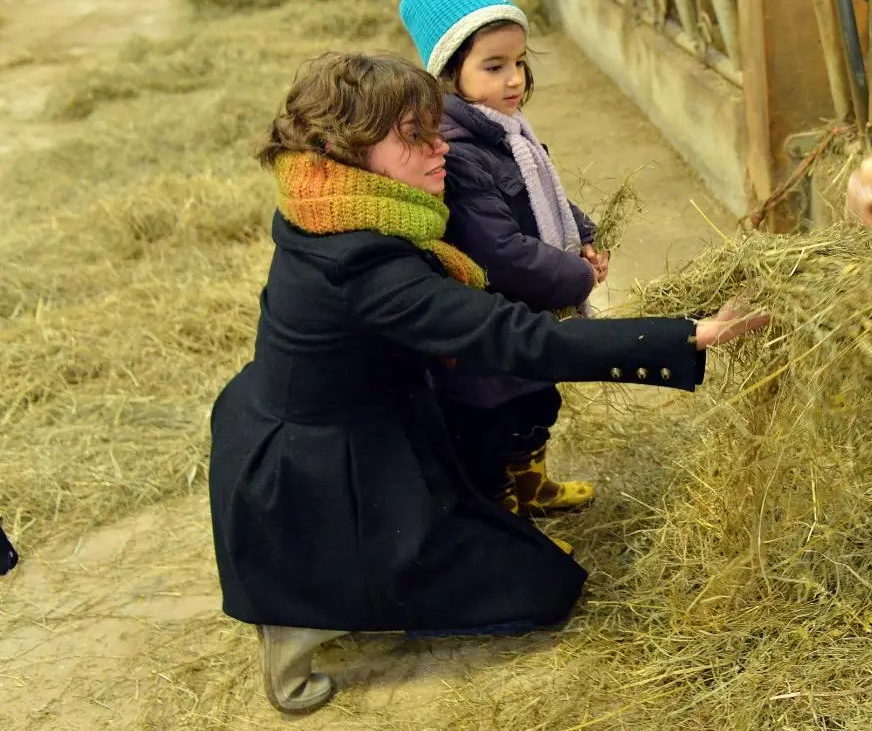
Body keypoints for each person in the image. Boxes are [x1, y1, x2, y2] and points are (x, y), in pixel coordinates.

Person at [207, 52, 766, 715]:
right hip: (326, 478)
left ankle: (342, 575)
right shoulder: (365, 265)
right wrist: (684, 335)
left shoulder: (327, 202)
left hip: (339, 424)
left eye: (433, 127)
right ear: (343, 147)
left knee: (497, 533)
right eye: (412, 135)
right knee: (543, 589)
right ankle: (304, 611)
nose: (439, 146)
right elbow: (519, 339)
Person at [398, 0, 604, 522]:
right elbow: (500, 253)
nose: (513, 79)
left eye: (518, 63)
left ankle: (531, 484)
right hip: (488, 336)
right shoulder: (458, 153)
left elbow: (546, 194)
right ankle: (505, 520)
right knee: (492, 427)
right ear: (448, 72)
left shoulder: (509, 131)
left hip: (525, 319)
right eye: (493, 66)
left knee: (538, 404)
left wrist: (582, 235)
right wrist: (577, 276)